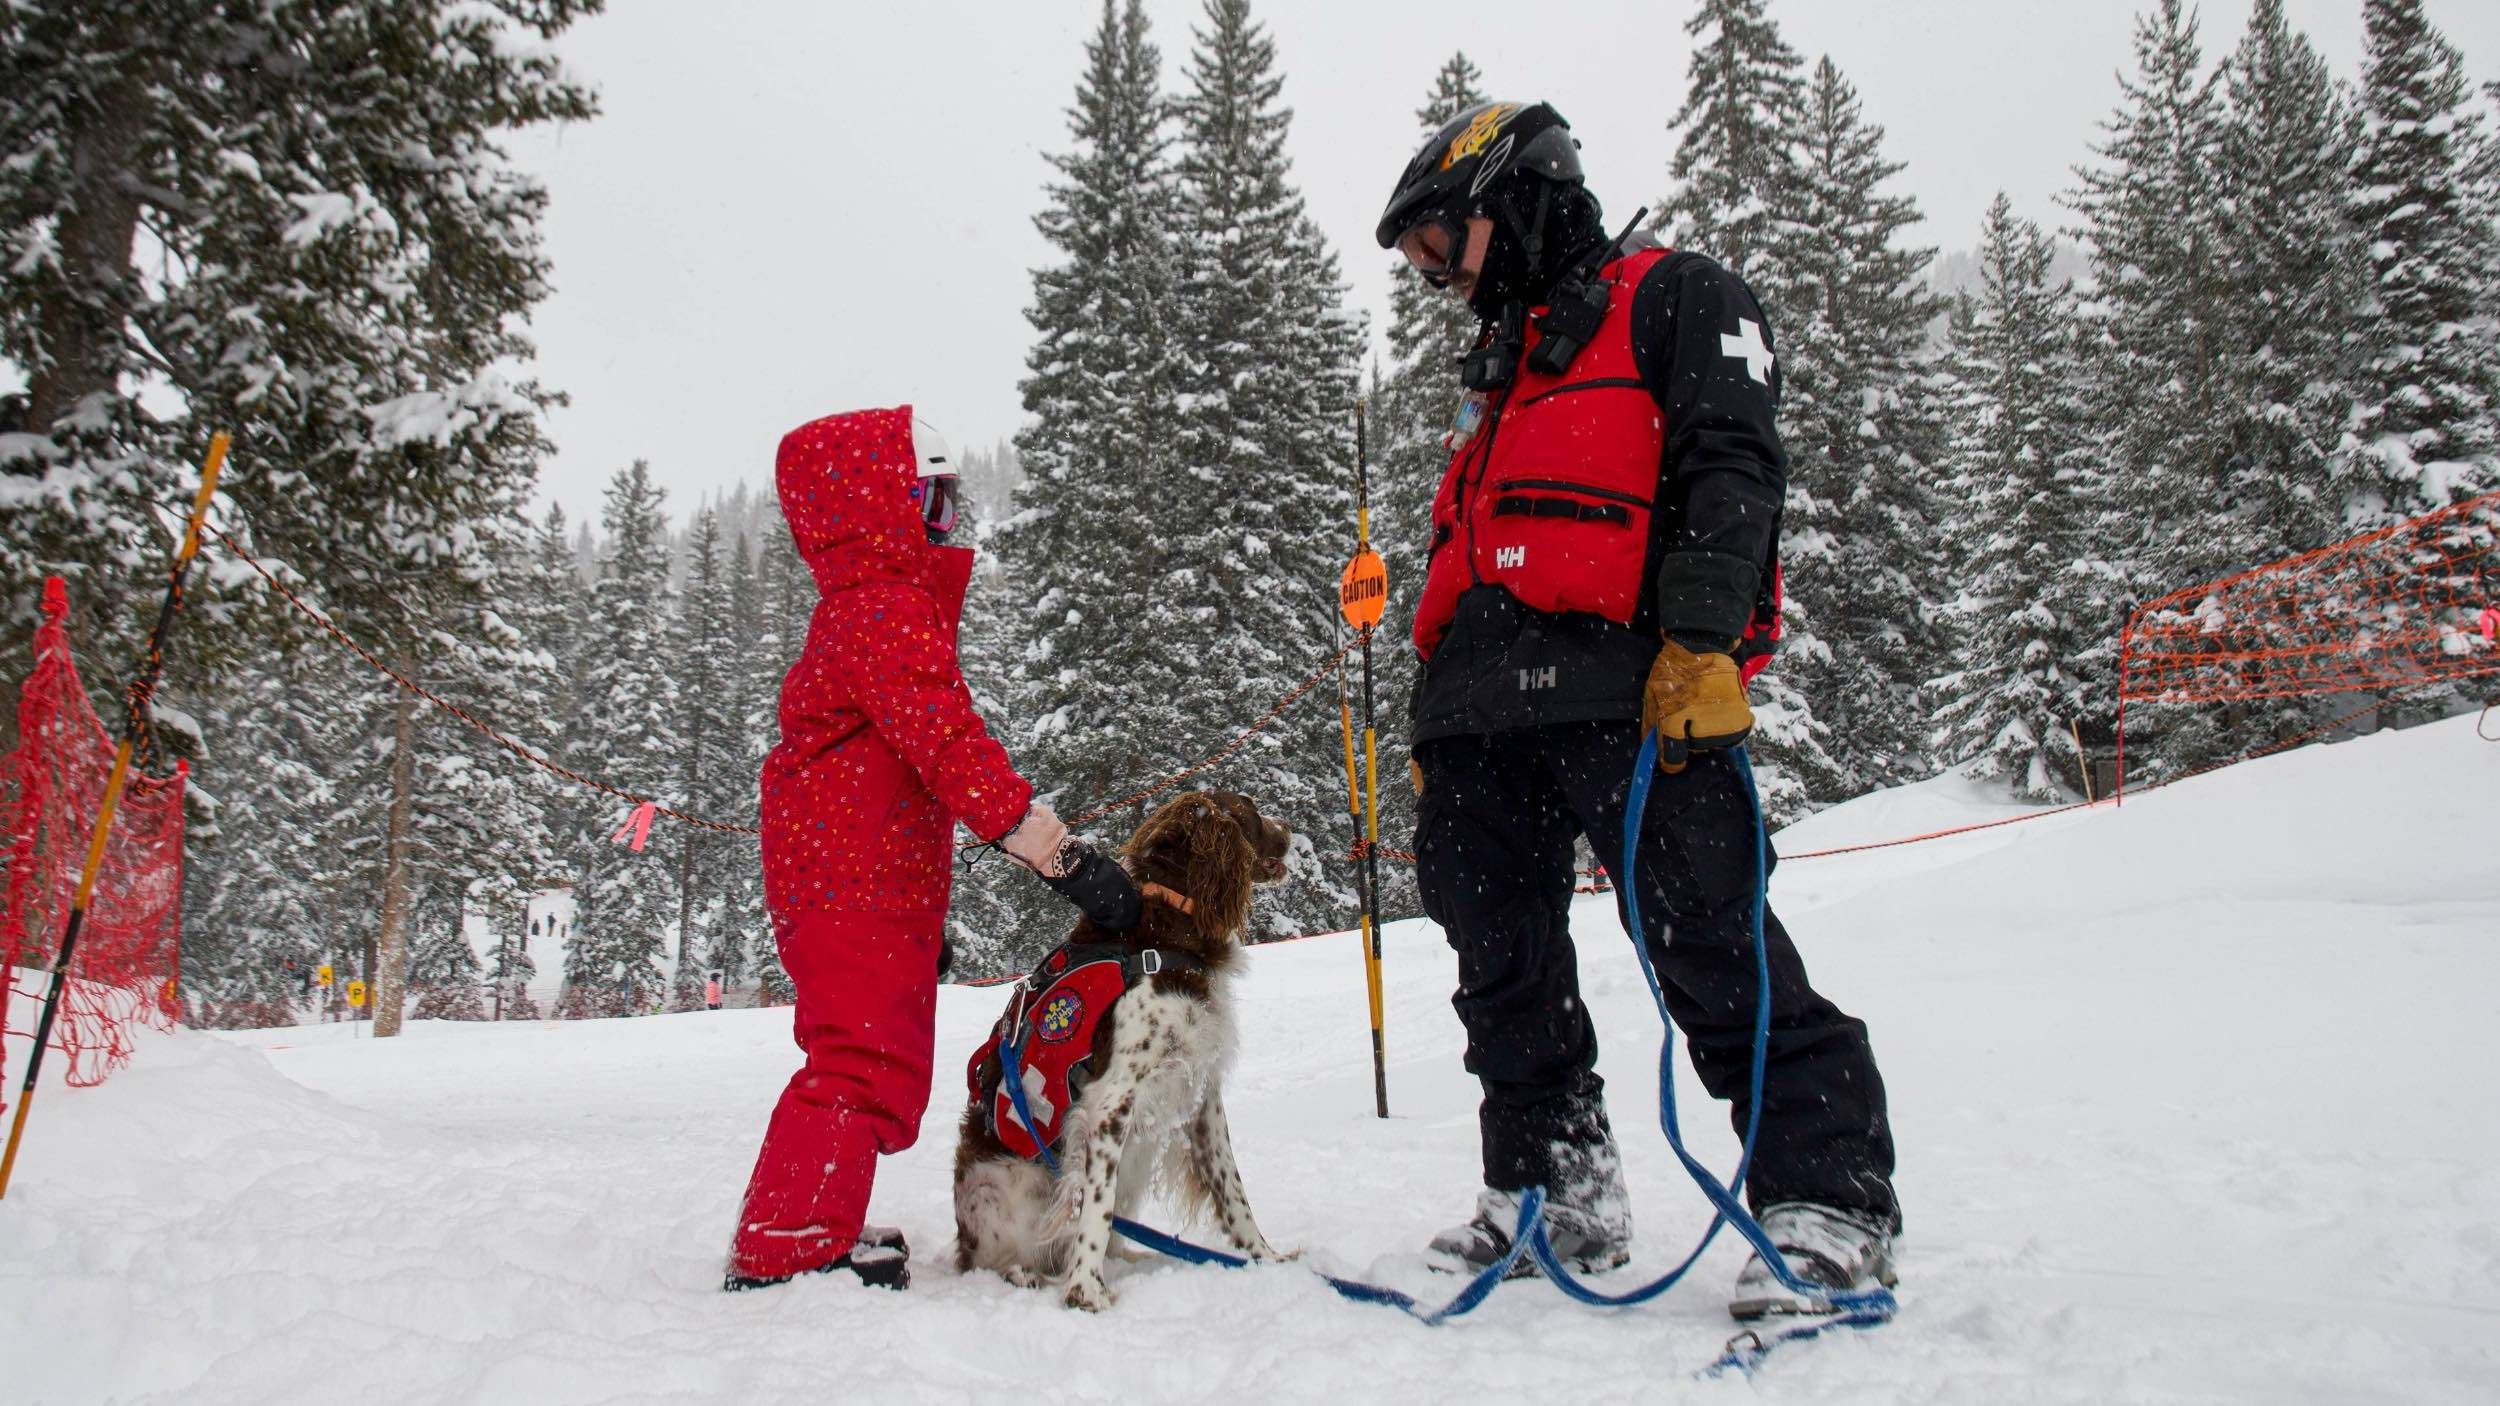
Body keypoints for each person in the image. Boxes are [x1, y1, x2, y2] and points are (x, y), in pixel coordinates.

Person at [1374, 101, 1900, 1320]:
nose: (1435, 280)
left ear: (1508, 200)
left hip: (1631, 684)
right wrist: (1429, 716)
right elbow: (1461, 538)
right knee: (1497, 960)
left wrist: (1703, 643)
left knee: (1707, 936)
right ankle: (1554, 1185)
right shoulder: (1496, 363)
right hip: (1479, 710)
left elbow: (1733, 458)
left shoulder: (1677, 295)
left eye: (1438, 248)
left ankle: (1829, 1198)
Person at [725, 405, 1142, 1293]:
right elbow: (952, 751)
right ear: (883, 508)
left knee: (879, 1062)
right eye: (934, 506)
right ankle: (788, 1243)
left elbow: (890, 780)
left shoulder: (871, 613)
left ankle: (815, 1220)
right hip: (850, 888)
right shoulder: (881, 612)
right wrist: (1062, 857)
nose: (948, 529)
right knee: (860, 1066)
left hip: (857, 884)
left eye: (954, 506)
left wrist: (921, 920)